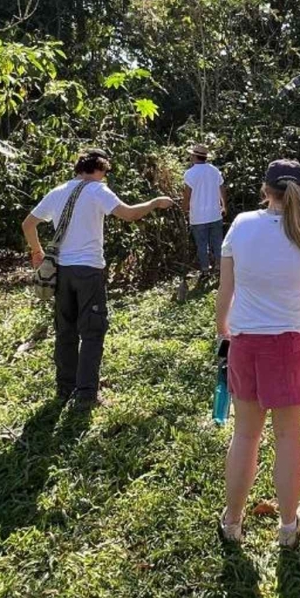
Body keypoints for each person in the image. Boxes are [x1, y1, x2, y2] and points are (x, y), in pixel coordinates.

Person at [215, 159, 300, 548]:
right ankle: (286, 526)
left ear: (265, 190)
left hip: (246, 340)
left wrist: (223, 333)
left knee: (245, 434)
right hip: (294, 341)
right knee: (289, 436)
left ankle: (232, 521)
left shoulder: (242, 226)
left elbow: (224, 294)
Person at [22, 149, 175, 407]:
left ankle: (64, 388)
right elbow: (129, 214)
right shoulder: (97, 190)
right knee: (92, 331)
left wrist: (36, 252)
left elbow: (28, 224)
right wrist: (154, 203)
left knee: (65, 331)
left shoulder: (58, 191)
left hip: (62, 271)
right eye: (105, 171)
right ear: (99, 168)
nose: (105, 177)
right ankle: (86, 395)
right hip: (88, 270)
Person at [182, 144, 227, 282]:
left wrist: (184, 209)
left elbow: (187, 195)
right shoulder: (214, 171)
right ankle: (220, 268)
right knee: (218, 243)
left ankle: (205, 270)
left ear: (195, 156)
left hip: (198, 216)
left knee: (202, 245)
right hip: (215, 214)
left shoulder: (190, 173)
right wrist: (224, 205)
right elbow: (222, 189)